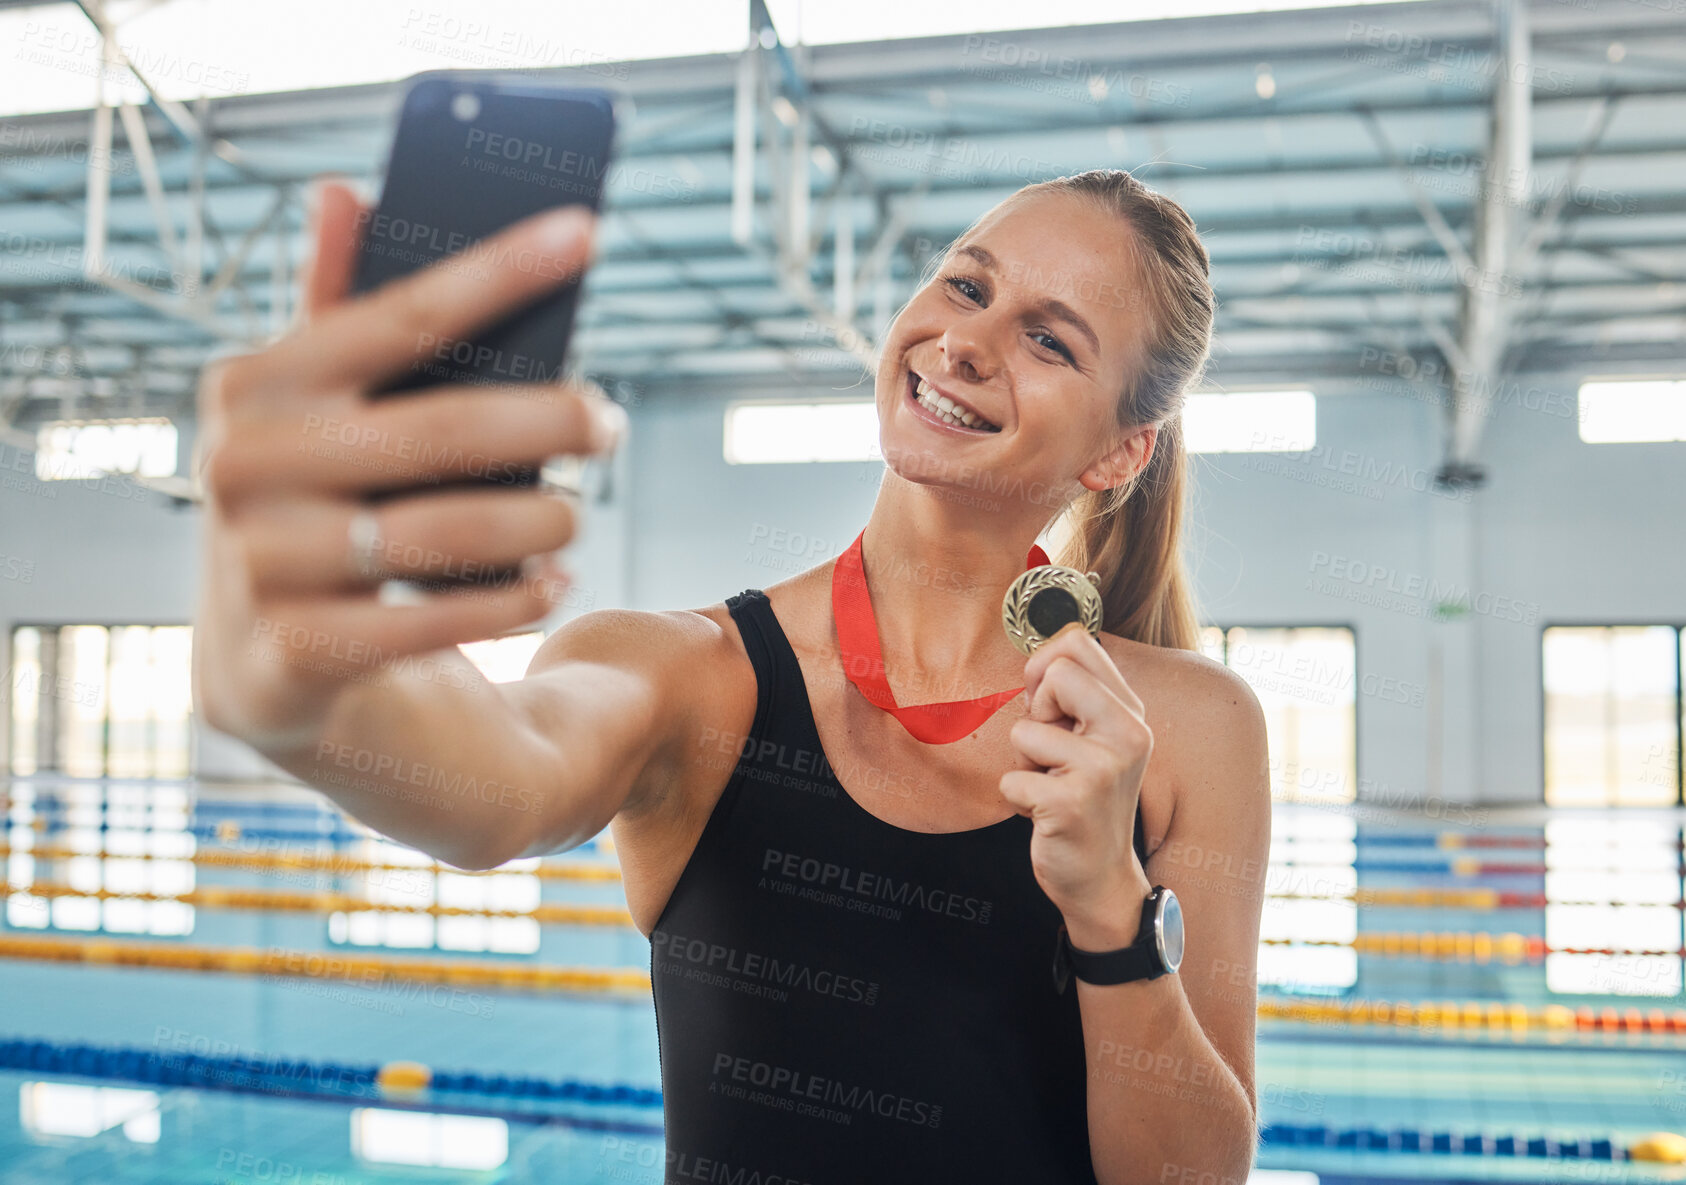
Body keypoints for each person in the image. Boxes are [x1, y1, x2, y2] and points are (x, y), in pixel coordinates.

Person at [194, 166, 1270, 1185]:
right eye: (965, 284)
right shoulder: (690, 674)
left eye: (1048, 339)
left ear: (1121, 454)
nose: (968, 343)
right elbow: (500, 781)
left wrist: (1110, 910)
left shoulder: (1184, 726)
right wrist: (307, 673)